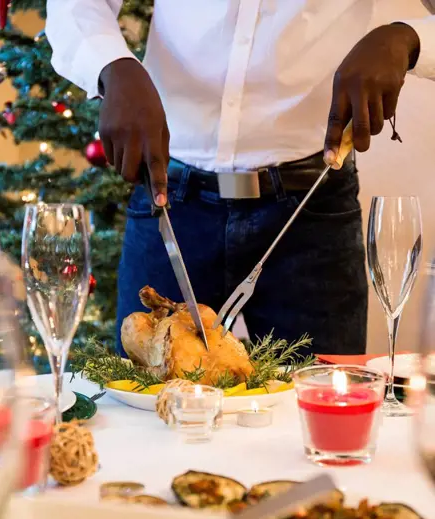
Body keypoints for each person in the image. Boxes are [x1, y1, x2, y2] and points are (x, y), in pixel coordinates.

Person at [46, 1, 435, 354]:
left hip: (311, 215)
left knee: (318, 414)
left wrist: (406, 38)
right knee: (146, 412)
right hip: (170, 203)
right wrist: (113, 67)